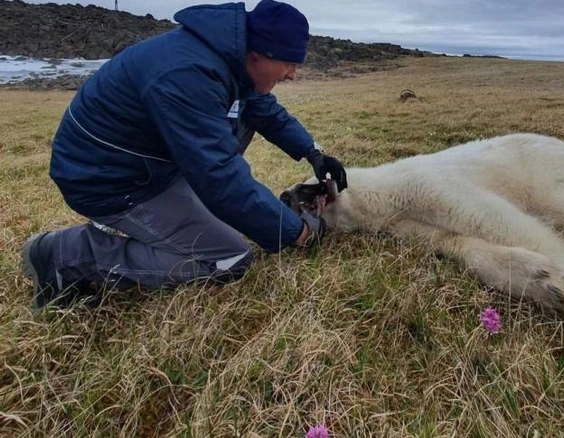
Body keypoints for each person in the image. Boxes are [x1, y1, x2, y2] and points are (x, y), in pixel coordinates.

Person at [20, 0, 348, 310]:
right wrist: (297, 232)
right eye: (289, 62)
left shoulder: (229, 60)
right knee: (227, 258)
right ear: (259, 53)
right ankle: (64, 255)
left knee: (225, 218)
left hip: (147, 166)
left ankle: (167, 220)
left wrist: (314, 153)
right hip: (106, 179)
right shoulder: (188, 75)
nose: (292, 74)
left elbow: (263, 111)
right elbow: (218, 176)